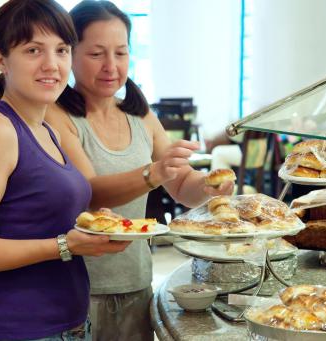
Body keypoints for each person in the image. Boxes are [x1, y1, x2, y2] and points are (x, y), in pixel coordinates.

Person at [45, 1, 234, 339]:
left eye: (121, 53)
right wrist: (152, 173)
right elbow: (90, 193)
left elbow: (182, 185)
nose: (111, 66)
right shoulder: (57, 116)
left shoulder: (140, 114)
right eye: (96, 54)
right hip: (78, 289)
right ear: (69, 54)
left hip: (136, 280)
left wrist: (209, 186)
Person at [0, 1, 131, 340]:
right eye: (33, 50)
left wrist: (90, 224)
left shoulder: (47, 130)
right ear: (1, 59)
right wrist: (64, 245)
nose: (52, 65)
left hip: (73, 326)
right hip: (24, 331)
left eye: (61, 50)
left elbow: (36, 218)